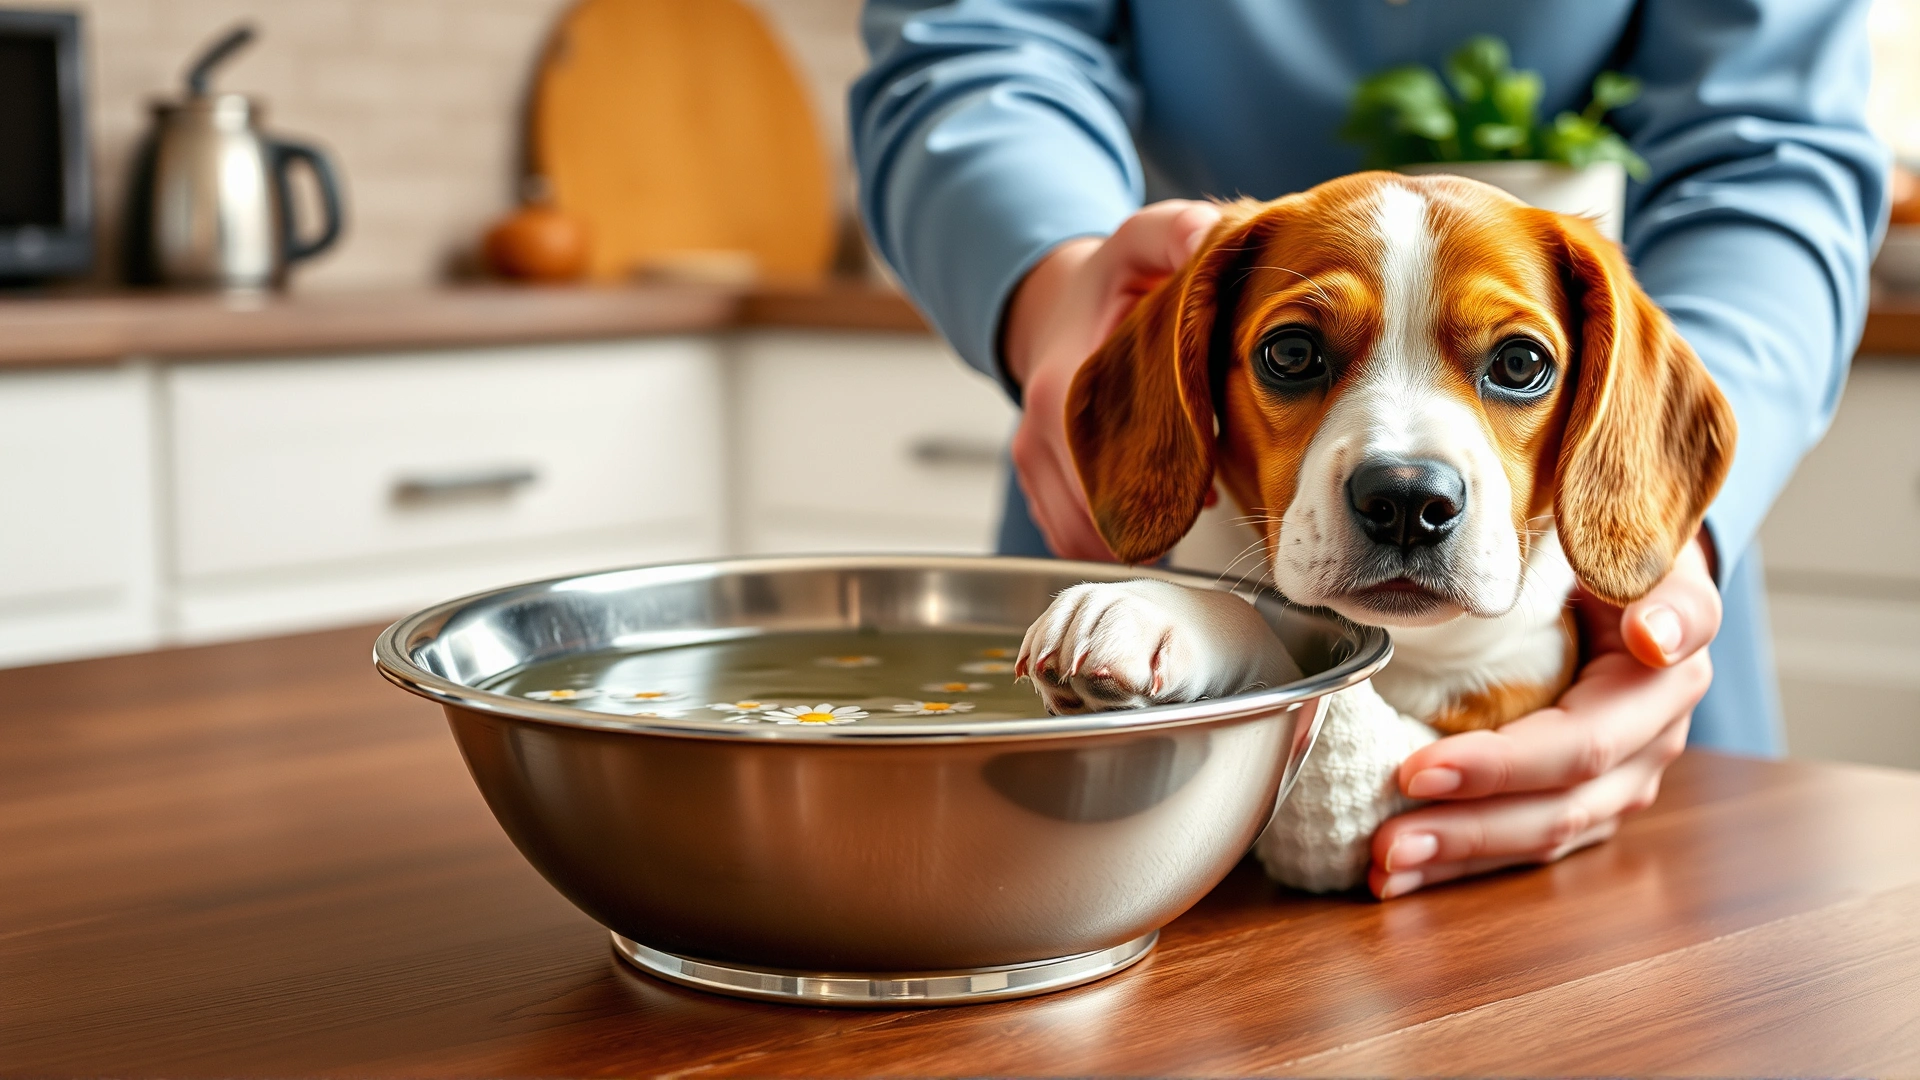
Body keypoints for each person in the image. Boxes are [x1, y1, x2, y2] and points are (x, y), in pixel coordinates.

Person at [851, 1, 1886, 898]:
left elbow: (1772, 143)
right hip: (1133, 431)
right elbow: (973, 43)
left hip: (1620, 686)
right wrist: (1051, 290)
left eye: (1517, 365)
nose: (1406, 481)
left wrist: (1669, 557)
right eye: (1298, 354)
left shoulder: (1623, 431)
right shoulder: (1168, 383)